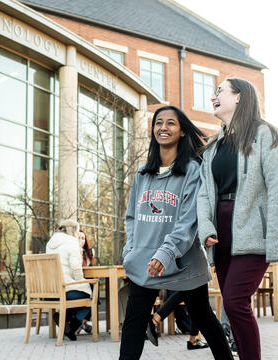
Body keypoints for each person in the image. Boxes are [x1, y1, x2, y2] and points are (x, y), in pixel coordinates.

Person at [119, 105, 233, 360]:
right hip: (144, 263)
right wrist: (130, 250)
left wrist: (167, 251)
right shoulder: (142, 174)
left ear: (182, 131)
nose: (163, 127)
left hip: (183, 263)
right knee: (134, 325)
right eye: (159, 123)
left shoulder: (192, 170)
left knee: (204, 317)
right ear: (153, 130)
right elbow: (131, 218)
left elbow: (187, 220)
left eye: (171, 123)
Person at [197, 77, 278, 360]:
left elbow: (276, 187)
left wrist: (275, 241)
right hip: (222, 234)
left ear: (239, 97)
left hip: (253, 232)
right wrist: (205, 228)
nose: (213, 97)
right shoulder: (213, 146)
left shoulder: (265, 134)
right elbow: (204, 194)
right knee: (232, 306)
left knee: (235, 301)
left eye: (220, 91)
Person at [46, 219, 92, 341]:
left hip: (51, 291)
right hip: (65, 289)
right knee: (91, 297)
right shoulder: (72, 242)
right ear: (74, 230)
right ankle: (71, 326)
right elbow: (76, 269)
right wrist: (82, 282)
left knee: (84, 293)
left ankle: (64, 319)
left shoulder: (50, 244)